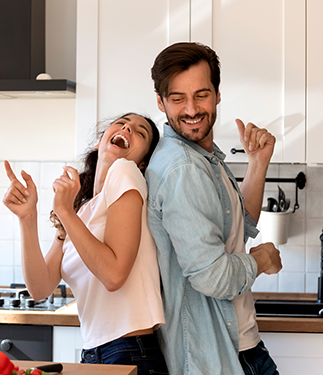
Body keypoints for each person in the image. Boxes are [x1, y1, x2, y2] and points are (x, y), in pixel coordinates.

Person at [145, 42, 282, 375]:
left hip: (240, 344)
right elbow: (213, 277)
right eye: (177, 98)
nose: (191, 109)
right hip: (216, 355)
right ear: (161, 102)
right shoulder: (183, 169)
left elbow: (239, 224)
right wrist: (260, 261)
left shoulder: (205, 158)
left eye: (201, 94)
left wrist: (257, 164)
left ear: (218, 94)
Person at [3, 113, 169, 375]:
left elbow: (114, 275)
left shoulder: (126, 172)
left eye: (140, 132)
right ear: (98, 142)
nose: (128, 127)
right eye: (122, 122)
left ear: (143, 162)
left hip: (129, 350)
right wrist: (28, 217)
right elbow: (40, 287)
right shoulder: (82, 210)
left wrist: (64, 211)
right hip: (95, 351)